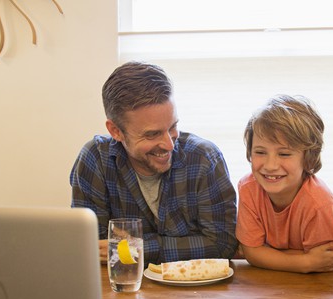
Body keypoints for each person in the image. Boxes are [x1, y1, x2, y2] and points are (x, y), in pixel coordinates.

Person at [70, 61, 238, 265]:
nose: (168, 144)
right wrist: (182, 245)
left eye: (173, 127)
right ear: (115, 131)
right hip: (123, 288)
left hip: (195, 292)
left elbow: (222, 245)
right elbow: (94, 248)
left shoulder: (204, 159)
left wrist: (139, 248)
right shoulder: (95, 160)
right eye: (152, 134)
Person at [236, 94, 333, 273]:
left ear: (308, 159)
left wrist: (271, 254)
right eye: (260, 152)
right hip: (272, 287)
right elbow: (252, 253)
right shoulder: (248, 188)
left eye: (284, 154)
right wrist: (305, 262)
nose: (270, 166)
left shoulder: (319, 204)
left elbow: (328, 262)